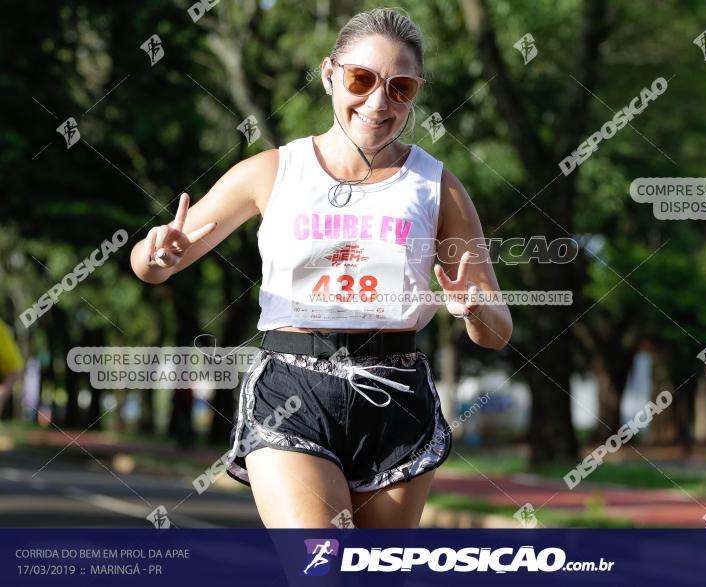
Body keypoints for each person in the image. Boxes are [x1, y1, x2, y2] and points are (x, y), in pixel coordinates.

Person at [130, 7, 512, 528]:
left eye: (400, 88)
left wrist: (472, 310)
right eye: (361, 78)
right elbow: (153, 267)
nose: (378, 102)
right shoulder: (272, 171)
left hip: (396, 398)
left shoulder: (436, 186)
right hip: (294, 390)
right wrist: (157, 253)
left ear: (416, 91)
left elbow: (496, 331)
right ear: (330, 72)